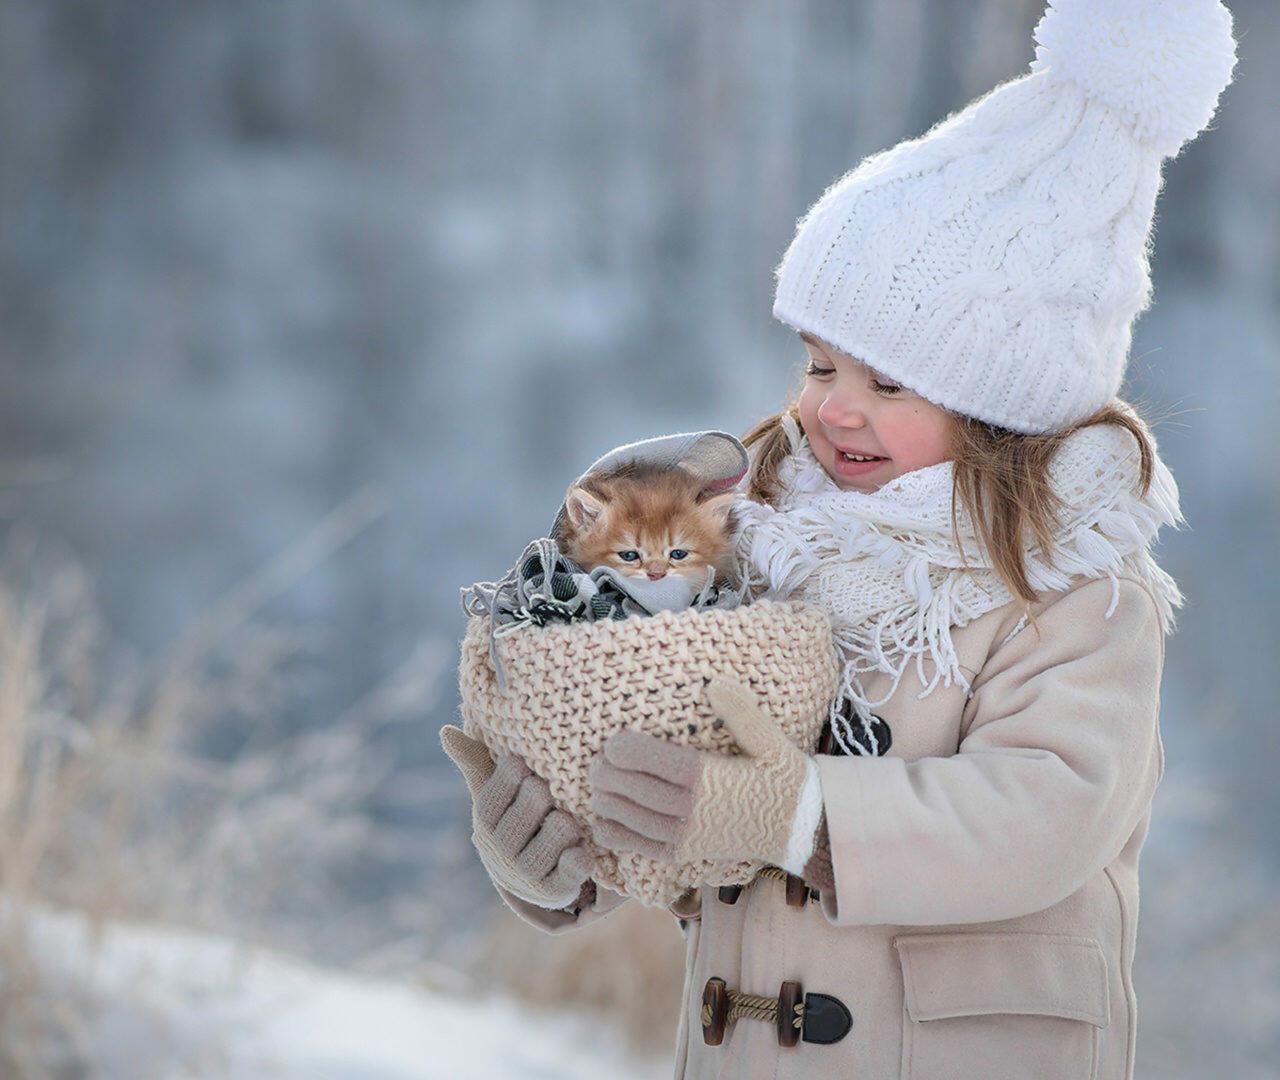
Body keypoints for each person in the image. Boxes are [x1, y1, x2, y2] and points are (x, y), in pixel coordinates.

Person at [441, 1, 1238, 1076]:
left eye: (887, 381)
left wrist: (796, 810)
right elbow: (691, 809)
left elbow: (1047, 813)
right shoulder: (772, 547)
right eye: (820, 365)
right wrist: (563, 855)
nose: (834, 408)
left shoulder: (1075, 588)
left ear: (997, 402)